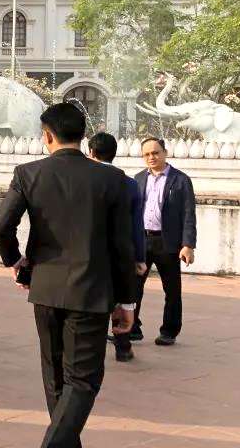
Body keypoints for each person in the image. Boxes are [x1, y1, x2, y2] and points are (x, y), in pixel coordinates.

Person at [0, 103, 137, 448]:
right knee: (83, 380)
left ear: (47, 135)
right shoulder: (112, 178)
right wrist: (127, 301)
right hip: (91, 290)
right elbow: (123, 245)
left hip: (45, 287)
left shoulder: (28, 173)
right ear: (83, 135)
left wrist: (15, 261)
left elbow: (0, 227)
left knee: (55, 374)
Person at [87, 132, 148, 362]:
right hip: (121, 253)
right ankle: (122, 346)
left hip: (89, 251)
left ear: (91, 152)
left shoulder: (84, 180)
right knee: (121, 298)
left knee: (92, 298)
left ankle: (91, 349)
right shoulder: (130, 184)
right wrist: (139, 257)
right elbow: (137, 224)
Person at [133, 137, 197, 347]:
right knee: (133, 287)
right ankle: (132, 328)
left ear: (165, 153)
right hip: (142, 241)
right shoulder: (138, 179)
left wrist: (188, 245)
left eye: (155, 152)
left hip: (168, 242)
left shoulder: (180, 180)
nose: (151, 157)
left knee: (172, 290)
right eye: (146, 154)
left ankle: (169, 331)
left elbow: (188, 214)